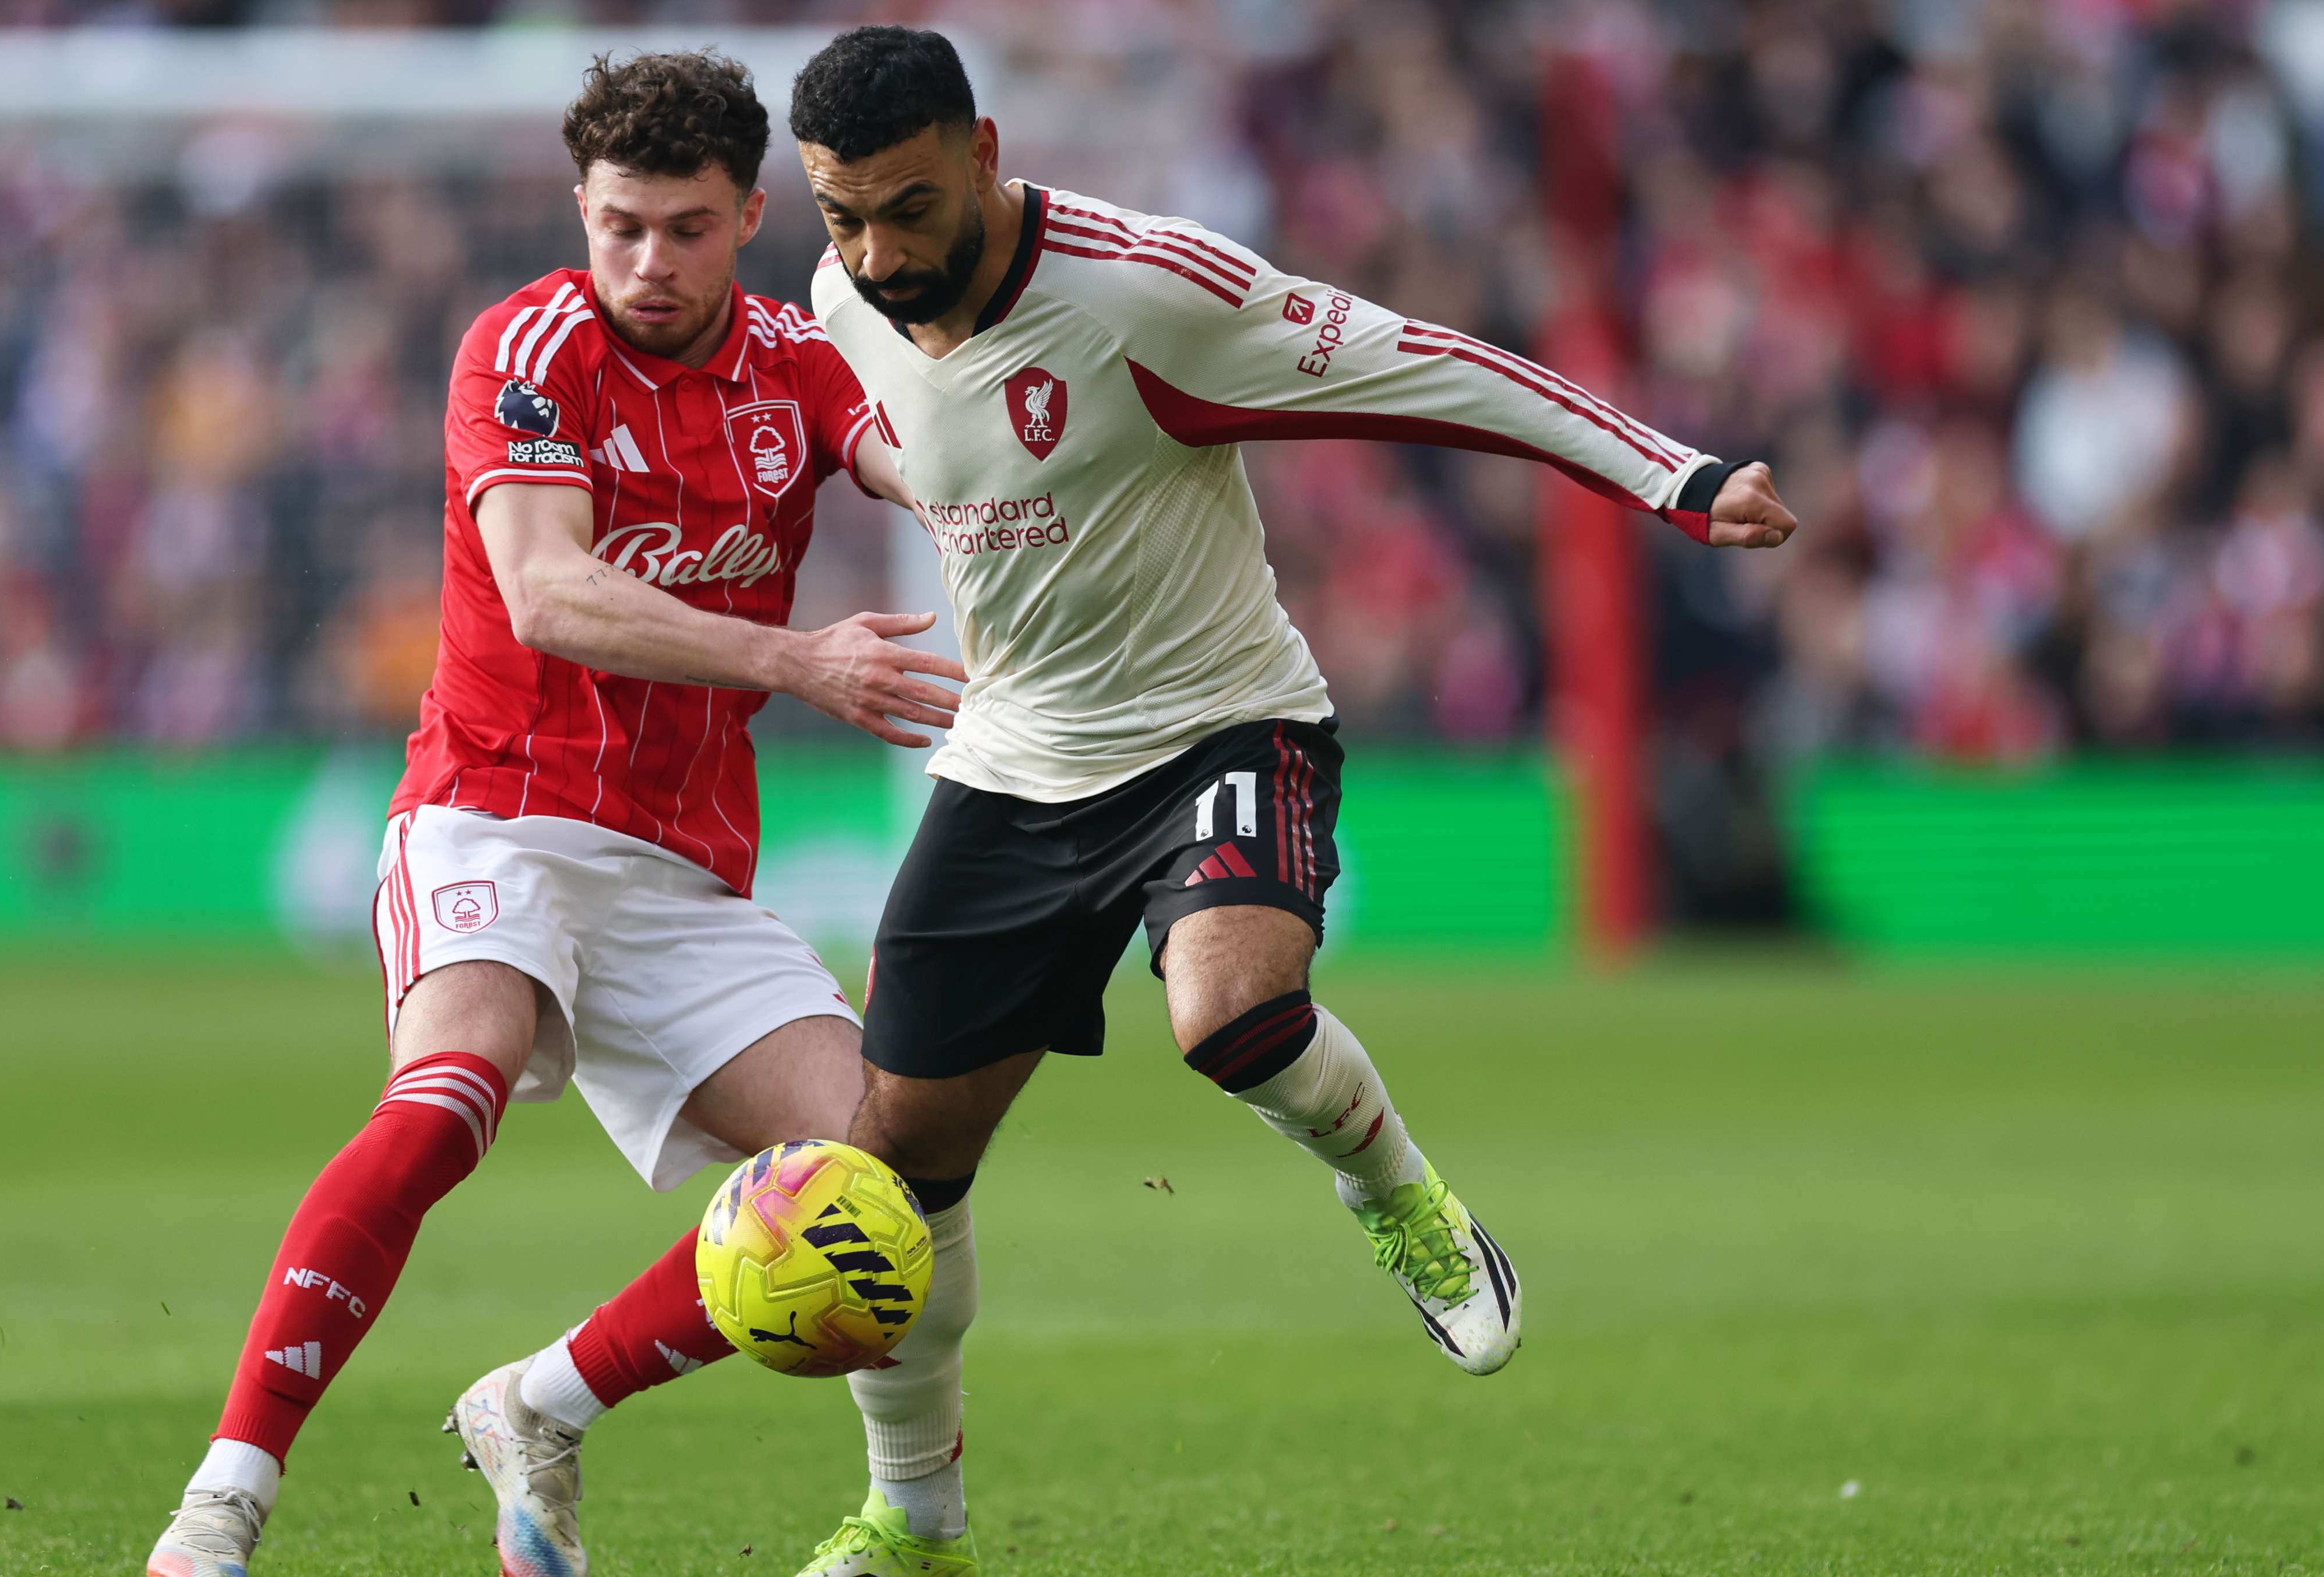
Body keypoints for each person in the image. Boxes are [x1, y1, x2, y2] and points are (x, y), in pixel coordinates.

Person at [744, 24, 1799, 1574]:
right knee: (895, 1173)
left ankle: (1402, 1197)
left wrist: (1673, 476)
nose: (878, 253)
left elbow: (1429, 366)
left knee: (1230, 1014)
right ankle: (916, 1524)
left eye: (909, 208)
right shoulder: (844, 300)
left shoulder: (1150, 291)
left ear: (983, 154)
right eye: (844, 216)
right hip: (1016, 763)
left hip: (1220, 728)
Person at [142, 49, 980, 1577]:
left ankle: (541, 1404)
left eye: (686, 228)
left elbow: (945, 476)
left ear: (748, 220)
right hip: (497, 812)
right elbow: (548, 592)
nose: (648, 262)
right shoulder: (526, 351)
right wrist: (797, 661)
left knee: (875, 1195)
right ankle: (221, 1505)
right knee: (446, 1097)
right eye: (619, 226)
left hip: (681, 873)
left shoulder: (799, 364)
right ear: (581, 211)